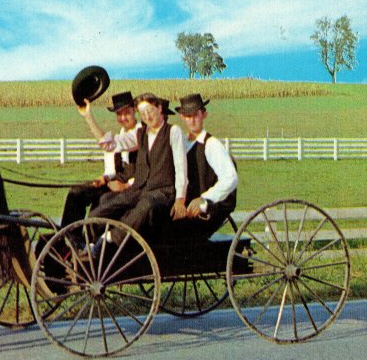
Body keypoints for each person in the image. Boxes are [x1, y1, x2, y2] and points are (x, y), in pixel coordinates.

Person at [88, 92, 188, 247]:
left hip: (163, 192)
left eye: (150, 111)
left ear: (159, 108)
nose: (147, 116)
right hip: (139, 189)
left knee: (145, 205)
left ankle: (110, 239)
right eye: (142, 113)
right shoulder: (140, 133)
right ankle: (90, 242)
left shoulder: (173, 131)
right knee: (105, 205)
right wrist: (88, 116)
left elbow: (181, 167)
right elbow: (110, 145)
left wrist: (180, 199)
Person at [59, 91, 142, 228]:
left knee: (101, 202)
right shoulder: (121, 133)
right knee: (76, 193)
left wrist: (125, 186)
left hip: (132, 188)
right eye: (119, 114)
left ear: (135, 111)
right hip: (115, 183)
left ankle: (92, 240)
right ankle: (69, 236)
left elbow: (108, 145)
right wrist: (105, 178)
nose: (123, 118)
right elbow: (111, 167)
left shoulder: (140, 134)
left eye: (127, 113)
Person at [174, 93, 238, 240]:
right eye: (188, 116)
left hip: (207, 209)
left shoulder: (211, 144)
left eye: (195, 115)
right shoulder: (182, 143)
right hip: (186, 205)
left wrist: (204, 199)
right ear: (182, 117)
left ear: (204, 114)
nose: (192, 120)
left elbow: (230, 178)